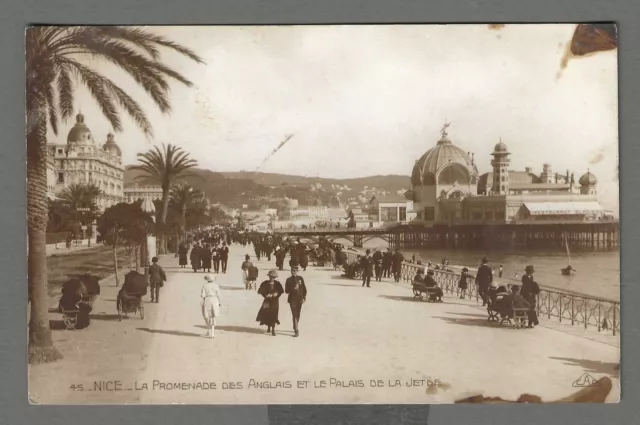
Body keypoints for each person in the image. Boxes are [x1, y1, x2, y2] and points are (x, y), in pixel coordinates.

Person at [256, 270, 284, 336]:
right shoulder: (265, 283)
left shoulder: (277, 284)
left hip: (275, 302)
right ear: (269, 277)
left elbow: (280, 291)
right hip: (267, 301)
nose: (272, 278)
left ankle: (273, 330)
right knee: (267, 314)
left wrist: (276, 294)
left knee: (274, 314)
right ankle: (268, 326)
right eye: (271, 277)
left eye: (273, 277)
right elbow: (261, 291)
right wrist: (266, 295)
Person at [285, 264, 307, 337]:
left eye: (295, 271)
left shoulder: (300, 278)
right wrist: (293, 288)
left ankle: (295, 325)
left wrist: (304, 297)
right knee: (294, 314)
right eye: (292, 271)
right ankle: (296, 330)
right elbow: (286, 291)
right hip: (292, 299)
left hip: (300, 299)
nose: (293, 272)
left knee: (298, 314)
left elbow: (304, 288)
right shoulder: (288, 280)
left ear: (297, 271)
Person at [200, 274, 222, 338]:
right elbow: (219, 295)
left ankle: (208, 331)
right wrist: (219, 302)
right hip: (214, 300)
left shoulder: (205, 285)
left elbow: (202, 295)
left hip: (207, 300)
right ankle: (212, 333)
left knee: (206, 316)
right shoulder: (216, 285)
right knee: (213, 316)